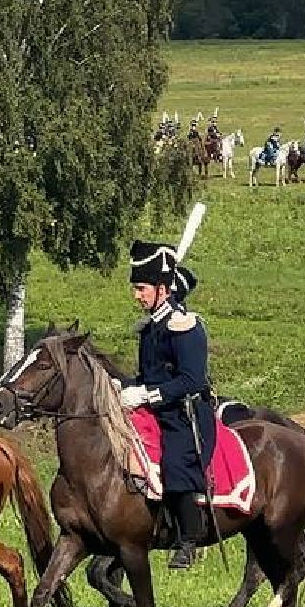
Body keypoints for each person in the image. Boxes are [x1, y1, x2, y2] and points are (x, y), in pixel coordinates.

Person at [119, 241, 215, 570]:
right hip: (158, 410)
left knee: (174, 462)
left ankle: (190, 537)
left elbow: (191, 380)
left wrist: (147, 395)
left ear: (161, 289)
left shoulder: (185, 327)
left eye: (141, 288)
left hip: (186, 415)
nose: (136, 295)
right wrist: (123, 388)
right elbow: (148, 375)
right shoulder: (150, 328)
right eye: (135, 288)